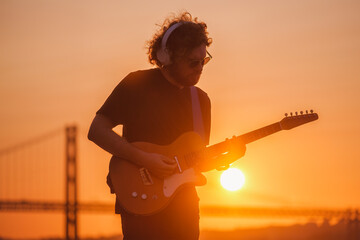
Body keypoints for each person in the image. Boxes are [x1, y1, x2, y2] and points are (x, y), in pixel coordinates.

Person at [88, 12, 246, 240]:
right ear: (168, 57)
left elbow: (195, 160)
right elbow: (97, 130)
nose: (200, 67)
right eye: (193, 62)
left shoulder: (201, 101)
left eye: (204, 60)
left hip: (184, 209)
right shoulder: (137, 84)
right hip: (140, 204)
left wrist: (225, 158)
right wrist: (144, 158)